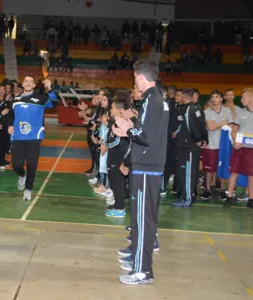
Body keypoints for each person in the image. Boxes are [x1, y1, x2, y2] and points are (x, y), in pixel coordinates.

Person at [113, 59, 169, 285]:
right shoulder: (154, 100)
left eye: (135, 77)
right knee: (141, 217)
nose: (134, 80)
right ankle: (138, 261)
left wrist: (128, 130)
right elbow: (148, 134)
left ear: (142, 77)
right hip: (146, 167)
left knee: (144, 220)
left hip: (147, 168)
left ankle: (143, 270)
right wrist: (130, 131)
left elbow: (145, 137)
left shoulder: (152, 101)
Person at [6, 76, 58, 201]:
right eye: (26, 81)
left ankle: (28, 189)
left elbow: (54, 103)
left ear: (34, 85)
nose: (28, 83)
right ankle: (22, 175)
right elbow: (10, 115)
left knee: (32, 165)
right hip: (18, 137)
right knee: (16, 164)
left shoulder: (41, 98)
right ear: (22, 84)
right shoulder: (15, 100)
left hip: (34, 138)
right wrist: (9, 125)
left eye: (31, 82)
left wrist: (49, 88)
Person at [173, 89, 206, 207]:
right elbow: (188, 125)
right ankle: (187, 196)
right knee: (184, 172)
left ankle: (187, 199)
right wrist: (176, 132)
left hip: (189, 147)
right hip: (185, 146)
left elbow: (193, 127)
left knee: (188, 173)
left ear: (184, 96)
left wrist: (199, 140)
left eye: (179, 95)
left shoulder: (189, 109)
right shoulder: (190, 108)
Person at [201, 90, 233, 200]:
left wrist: (218, 124)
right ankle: (208, 189)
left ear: (221, 99)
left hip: (224, 145)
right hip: (211, 145)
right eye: (212, 97)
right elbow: (210, 127)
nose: (214, 99)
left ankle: (222, 190)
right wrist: (223, 123)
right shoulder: (207, 111)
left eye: (216, 97)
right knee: (209, 169)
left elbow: (231, 125)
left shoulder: (227, 111)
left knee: (223, 168)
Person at [224, 88, 253, 208]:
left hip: (251, 150)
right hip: (239, 148)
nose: (241, 100)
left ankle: (251, 199)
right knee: (234, 172)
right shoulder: (240, 113)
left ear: (251, 98)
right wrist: (236, 141)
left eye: (243, 98)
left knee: (252, 174)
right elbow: (234, 130)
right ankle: (229, 197)